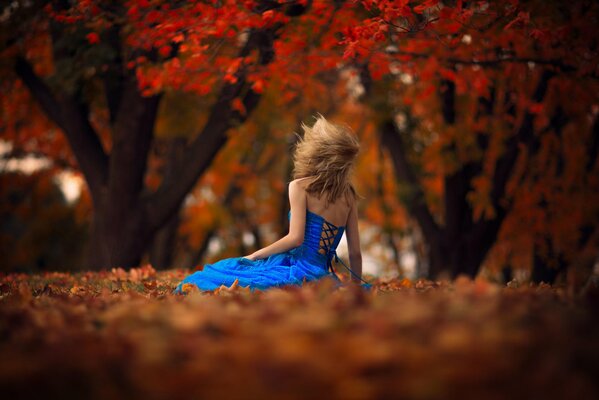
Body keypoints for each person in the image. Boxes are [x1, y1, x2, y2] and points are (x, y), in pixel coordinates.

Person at [173, 114, 372, 294]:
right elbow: (355, 252)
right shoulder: (348, 196)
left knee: (220, 273)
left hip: (297, 268)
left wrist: (255, 255)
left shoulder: (300, 187)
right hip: (323, 277)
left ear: (315, 153)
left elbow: (295, 239)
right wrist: (356, 287)